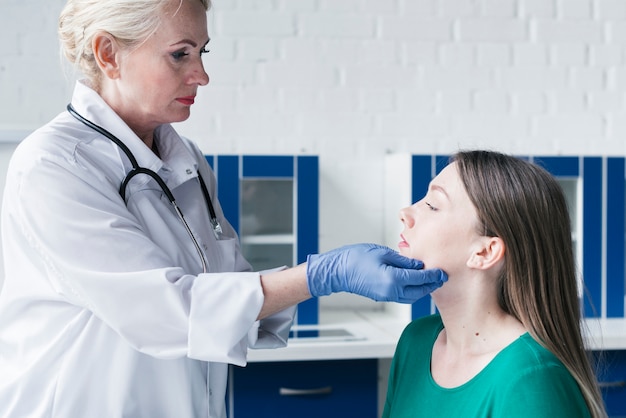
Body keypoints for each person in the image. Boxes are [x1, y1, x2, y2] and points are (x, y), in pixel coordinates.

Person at [0, 1, 447, 417]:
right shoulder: (53, 165)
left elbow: (228, 287)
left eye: (202, 52)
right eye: (180, 55)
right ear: (108, 54)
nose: (201, 75)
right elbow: (169, 312)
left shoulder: (184, 158)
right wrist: (320, 274)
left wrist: (322, 283)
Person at [383, 150, 607, 418]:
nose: (405, 213)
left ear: (485, 252)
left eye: (433, 205)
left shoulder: (531, 380)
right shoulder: (415, 341)